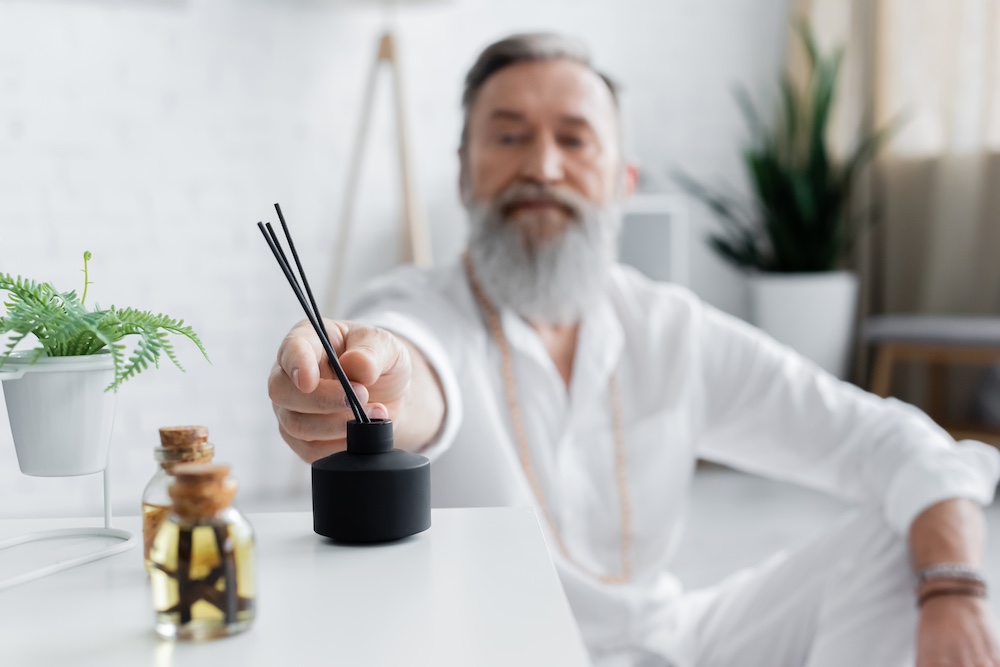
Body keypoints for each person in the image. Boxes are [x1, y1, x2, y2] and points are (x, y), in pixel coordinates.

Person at [268, 33, 1000, 667]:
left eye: (575, 139)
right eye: (510, 136)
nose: (544, 167)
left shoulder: (669, 326)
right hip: (508, 652)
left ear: (623, 182)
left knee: (906, 540)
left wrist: (956, 587)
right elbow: (408, 364)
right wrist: (376, 382)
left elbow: (893, 439)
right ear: (464, 174)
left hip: (671, 644)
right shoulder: (416, 307)